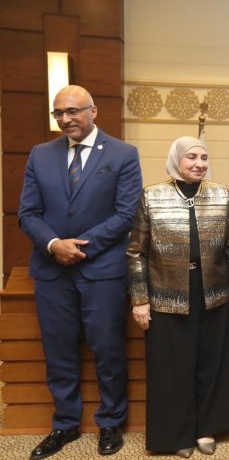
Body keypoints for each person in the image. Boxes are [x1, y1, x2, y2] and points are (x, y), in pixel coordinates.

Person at [18, 85, 143, 459]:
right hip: (51, 270)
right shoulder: (40, 154)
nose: (66, 118)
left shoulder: (123, 154)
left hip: (102, 270)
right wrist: (55, 244)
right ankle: (65, 424)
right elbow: (28, 213)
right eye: (59, 113)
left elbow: (126, 214)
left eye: (73, 111)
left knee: (108, 350)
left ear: (93, 111)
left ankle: (111, 423)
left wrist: (80, 246)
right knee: (59, 352)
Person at [126, 136, 229, 458]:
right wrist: (140, 299)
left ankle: (206, 428)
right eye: (191, 157)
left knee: (211, 363)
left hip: (213, 292)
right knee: (172, 367)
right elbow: (136, 252)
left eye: (204, 157)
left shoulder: (221, 194)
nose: (199, 163)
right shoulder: (152, 195)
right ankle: (177, 434)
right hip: (166, 294)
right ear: (176, 160)